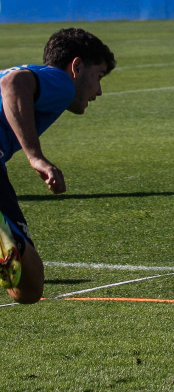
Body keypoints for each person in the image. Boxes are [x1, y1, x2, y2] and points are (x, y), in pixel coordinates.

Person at [0, 28, 116, 304]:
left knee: (24, 290)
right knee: (30, 286)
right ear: (76, 66)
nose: (99, 91)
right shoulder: (62, 83)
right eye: (98, 76)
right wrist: (36, 156)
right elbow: (14, 83)